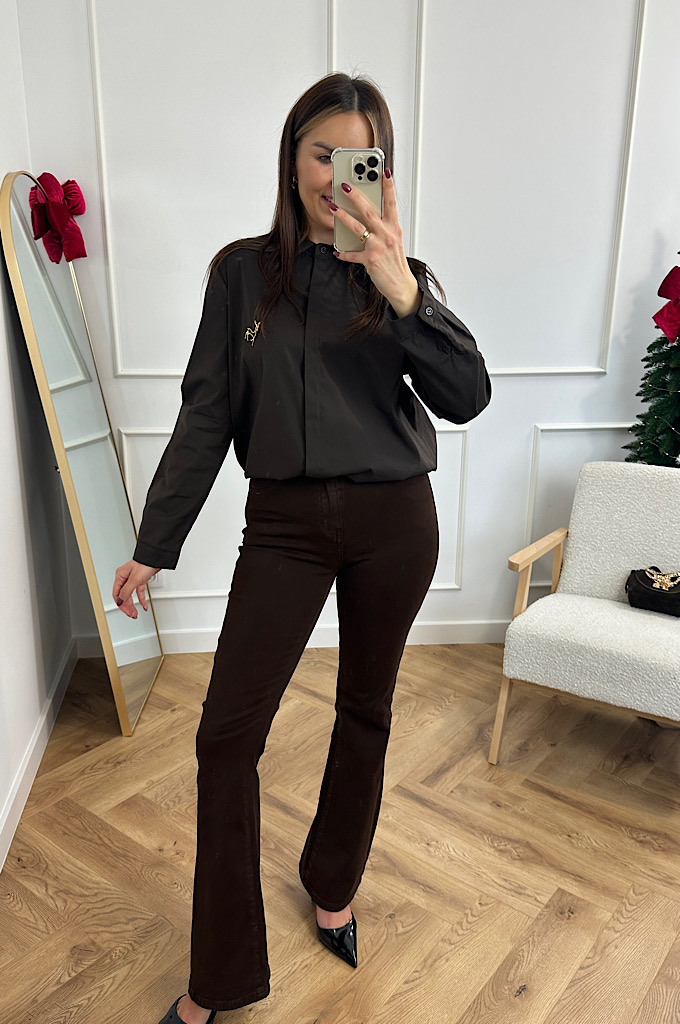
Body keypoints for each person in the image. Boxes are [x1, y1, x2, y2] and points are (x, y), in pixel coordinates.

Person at [112, 72, 491, 1024]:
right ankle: (221, 979)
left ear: (383, 172)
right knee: (224, 737)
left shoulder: (402, 276)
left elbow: (468, 397)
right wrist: (155, 543)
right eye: (322, 153)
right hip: (282, 524)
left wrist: (401, 290)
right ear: (292, 159)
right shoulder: (241, 274)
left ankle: (334, 884)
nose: (335, 176)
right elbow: (206, 413)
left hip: (395, 523)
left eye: (359, 158)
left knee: (366, 708)